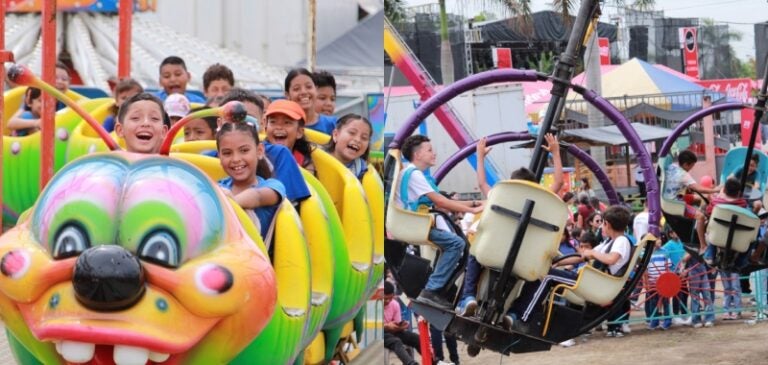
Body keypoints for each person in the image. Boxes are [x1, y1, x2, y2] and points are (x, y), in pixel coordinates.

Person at [456, 134, 563, 317]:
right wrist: (556, 152)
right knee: (541, 273)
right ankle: (514, 314)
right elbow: (559, 183)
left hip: (492, 253)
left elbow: (481, 182)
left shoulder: (500, 197)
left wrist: (480, 156)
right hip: (524, 259)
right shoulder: (540, 206)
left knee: (474, 252)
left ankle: (468, 295)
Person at [512, 206, 633, 336]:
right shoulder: (608, 243)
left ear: (607, 224)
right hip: (593, 281)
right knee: (543, 273)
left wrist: (592, 252)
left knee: (546, 277)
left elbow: (611, 259)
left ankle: (523, 320)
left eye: (602, 223)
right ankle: (515, 312)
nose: (601, 227)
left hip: (597, 285)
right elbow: (580, 256)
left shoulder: (621, 241)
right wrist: (554, 261)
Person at [394, 134, 483, 309]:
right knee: (456, 244)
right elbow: (441, 202)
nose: (434, 154)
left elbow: (445, 200)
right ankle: (431, 290)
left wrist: (475, 203)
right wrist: (472, 210)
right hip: (411, 224)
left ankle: (438, 289)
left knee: (455, 244)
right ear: (417, 155)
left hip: (413, 223)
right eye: (429, 150)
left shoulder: (411, 173)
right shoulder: (415, 175)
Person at [218, 90, 310, 204]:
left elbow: (286, 204)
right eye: (232, 120)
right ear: (219, 124)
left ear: (262, 123)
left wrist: (230, 204)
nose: (238, 127)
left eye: (247, 120)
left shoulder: (278, 154)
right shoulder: (219, 181)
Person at [216, 121, 285, 240]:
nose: (236, 159)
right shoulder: (219, 187)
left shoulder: (272, 186)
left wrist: (228, 204)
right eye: (227, 153)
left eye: (244, 151)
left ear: (259, 151)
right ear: (220, 157)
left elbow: (256, 196)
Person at [663, 150, 720, 251]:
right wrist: (715, 189)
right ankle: (703, 245)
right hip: (675, 204)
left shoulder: (671, 167)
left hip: (669, 198)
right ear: (686, 164)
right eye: (691, 166)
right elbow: (698, 188)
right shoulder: (683, 175)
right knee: (700, 216)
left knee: (701, 197)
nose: (691, 169)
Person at [264, 99, 316, 175]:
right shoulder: (259, 154)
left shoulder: (304, 164)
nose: (279, 127)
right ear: (265, 128)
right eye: (273, 122)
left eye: (287, 123)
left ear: (299, 132)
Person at [284, 68, 336, 135]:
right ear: (287, 95)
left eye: (309, 87)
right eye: (296, 89)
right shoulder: (283, 127)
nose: (304, 92)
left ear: (315, 90)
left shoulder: (333, 124)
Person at [383, 281, 421, 365]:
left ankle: (433, 361)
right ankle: (411, 363)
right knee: (396, 341)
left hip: (393, 332)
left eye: (390, 298)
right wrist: (386, 326)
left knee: (416, 338)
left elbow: (397, 325)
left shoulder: (395, 304)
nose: (388, 301)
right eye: (385, 298)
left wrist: (402, 326)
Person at [326, 113, 371, 179]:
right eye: (352, 133)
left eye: (364, 138)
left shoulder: (361, 169)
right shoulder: (317, 157)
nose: (358, 140)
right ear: (335, 135)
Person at [644, 238, 672, 330]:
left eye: (659, 240)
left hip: (663, 281)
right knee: (653, 302)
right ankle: (654, 321)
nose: (659, 242)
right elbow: (646, 270)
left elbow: (668, 268)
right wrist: (647, 283)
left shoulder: (665, 252)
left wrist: (668, 281)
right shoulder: (648, 254)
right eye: (656, 240)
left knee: (665, 302)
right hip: (652, 282)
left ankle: (667, 321)